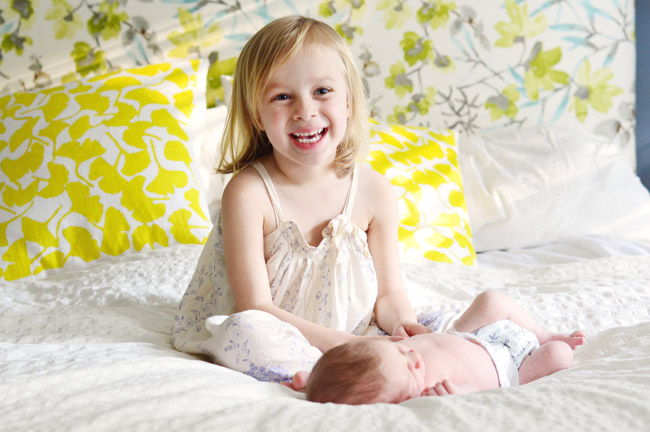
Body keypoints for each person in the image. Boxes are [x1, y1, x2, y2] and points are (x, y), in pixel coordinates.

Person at [171, 15, 453, 382]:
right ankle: (330, 369)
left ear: (349, 102)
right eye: (282, 97)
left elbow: (389, 294)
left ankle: (364, 365)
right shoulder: (248, 193)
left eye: (322, 91)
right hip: (282, 332)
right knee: (247, 336)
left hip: (356, 332)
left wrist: (403, 325)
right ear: (257, 114)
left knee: (445, 326)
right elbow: (256, 307)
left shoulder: (374, 192)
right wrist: (342, 345)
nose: (305, 111)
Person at [304, 290, 587, 404]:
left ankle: (542, 332)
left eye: (400, 351)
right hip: (512, 368)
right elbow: (480, 405)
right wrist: (465, 394)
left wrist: (313, 377)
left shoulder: (386, 357)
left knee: (491, 300)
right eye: (410, 368)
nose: (412, 354)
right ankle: (547, 346)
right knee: (559, 355)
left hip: (468, 335)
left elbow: (344, 368)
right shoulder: (436, 397)